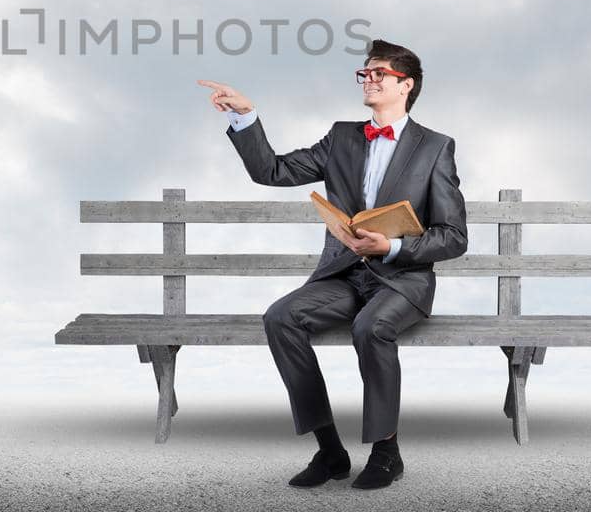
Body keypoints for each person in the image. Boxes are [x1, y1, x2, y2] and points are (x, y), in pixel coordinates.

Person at [196, 38, 467, 490]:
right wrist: (244, 115)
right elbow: (273, 171)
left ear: (407, 85)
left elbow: (454, 237)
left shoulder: (435, 147)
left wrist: (393, 248)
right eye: (365, 72)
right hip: (345, 276)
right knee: (281, 317)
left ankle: (386, 452)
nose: (369, 79)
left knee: (370, 328)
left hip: (402, 281)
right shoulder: (342, 137)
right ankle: (329, 450)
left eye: (379, 73)